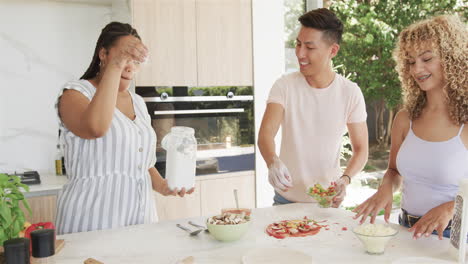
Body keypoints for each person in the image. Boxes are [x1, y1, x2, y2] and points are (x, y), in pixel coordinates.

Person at [55, 22, 194, 235]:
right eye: (124, 56)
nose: (130, 66)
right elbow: (96, 128)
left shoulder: (138, 102)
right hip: (91, 222)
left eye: (135, 60)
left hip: (141, 219)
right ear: (103, 54)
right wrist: (116, 65)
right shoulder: (75, 93)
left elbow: (143, 164)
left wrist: (164, 186)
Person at [353, 14, 468, 240]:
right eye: (411, 61)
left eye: (426, 58)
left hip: (455, 236)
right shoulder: (405, 118)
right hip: (406, 229)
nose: (417, 69)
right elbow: (394, 171)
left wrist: (451, 207)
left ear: (452, 58)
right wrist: (386, 189)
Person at [258, 8, 369, 207]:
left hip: (327, 202)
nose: (300, 53)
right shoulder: (284, 86)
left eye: (309, 47)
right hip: (286, 200)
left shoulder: (350, 92)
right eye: (298, 44)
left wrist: (345, 179)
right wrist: (272, 161)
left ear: (332, 51)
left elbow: (361, 149)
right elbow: (266, 134)